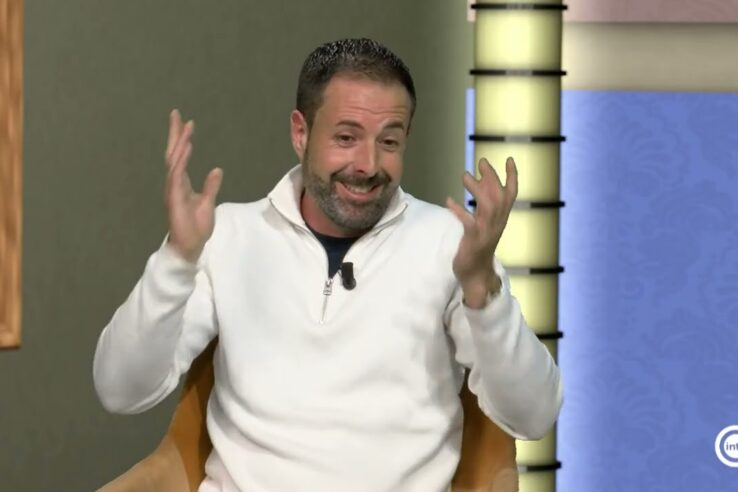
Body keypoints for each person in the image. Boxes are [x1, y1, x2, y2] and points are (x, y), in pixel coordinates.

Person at [93, 37, 562, 492]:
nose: (368, 164)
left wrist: (482, 291)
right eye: (346, 137)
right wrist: (176, 261)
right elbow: (120, 390)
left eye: (389, 141)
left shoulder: (451, 245)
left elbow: (533, 416)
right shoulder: (226, 235)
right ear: (301, 133)